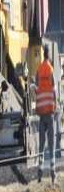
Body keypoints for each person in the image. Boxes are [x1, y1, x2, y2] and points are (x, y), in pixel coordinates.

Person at [35, 44, 57, 184]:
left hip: (41, 113)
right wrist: (56, 105)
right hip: (50, 112)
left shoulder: (38, 70)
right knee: (52, 144)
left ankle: (40, 173)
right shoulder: (50, 69)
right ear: (49, 55)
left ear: (43, 54)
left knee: (41, 145)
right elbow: (54, 90)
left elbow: (36, 89)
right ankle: (53, 173)